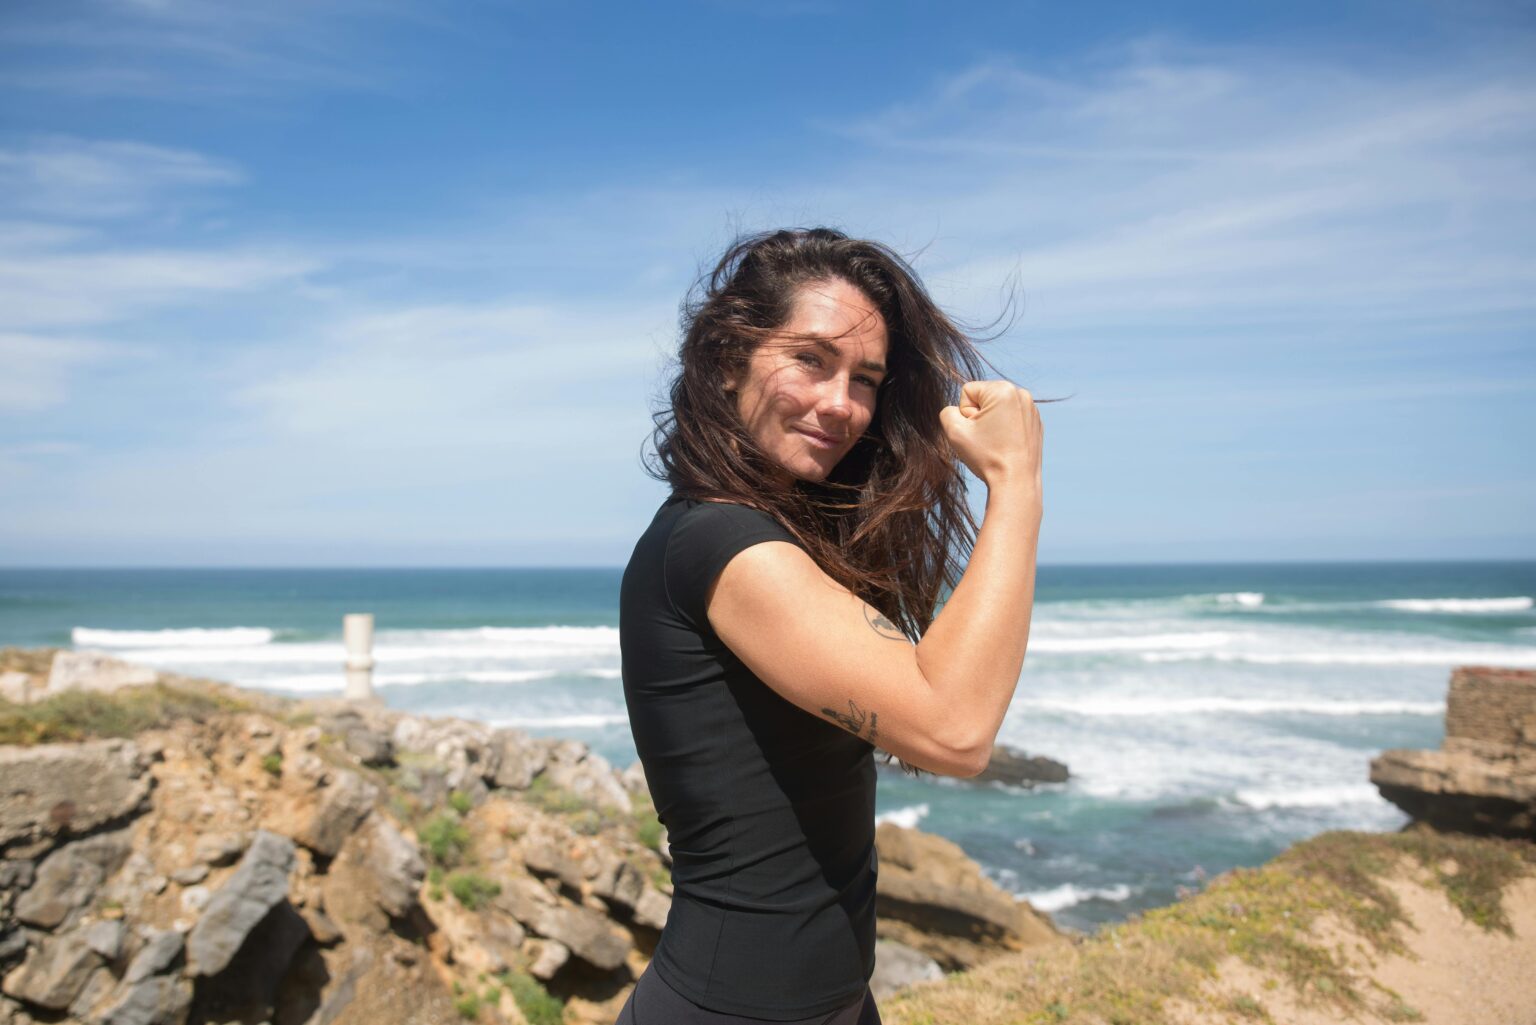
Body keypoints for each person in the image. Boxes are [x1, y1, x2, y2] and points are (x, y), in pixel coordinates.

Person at [615, 227, 1042, 1025]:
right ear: (727, 357)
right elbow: (954, 730)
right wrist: (1015, 483)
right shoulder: (721, 542)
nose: (841, 403)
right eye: (810, 359)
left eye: (866, 379)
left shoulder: (758, 538)